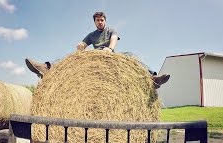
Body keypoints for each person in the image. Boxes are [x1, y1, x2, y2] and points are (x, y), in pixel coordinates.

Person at [25, 12, 170, 88]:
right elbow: (83, 44)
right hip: (95, 57)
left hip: (110, 55)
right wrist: (80, 46)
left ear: (105, 21)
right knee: (70, 58)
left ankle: (152, 78)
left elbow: (114, 38)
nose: (100, 22)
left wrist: (110, 49)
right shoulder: (91, 35)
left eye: (102, 20)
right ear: (94, 22)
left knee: (131, 55)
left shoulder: (111, 30)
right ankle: (46, 67)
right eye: (97, 20)